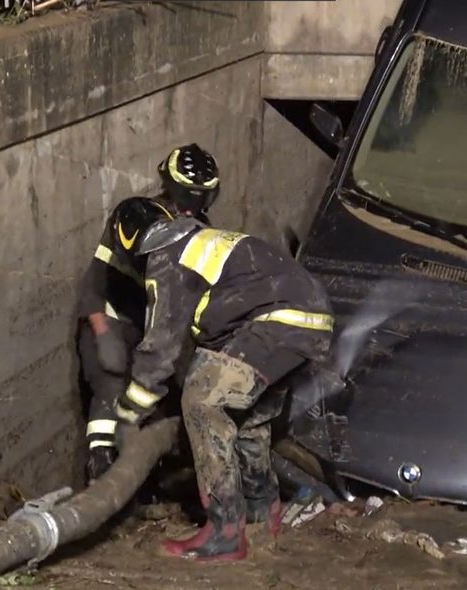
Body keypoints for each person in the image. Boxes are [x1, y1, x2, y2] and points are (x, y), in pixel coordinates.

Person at [111, 203, 335, 562]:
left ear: (129, 244)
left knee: (201, 401)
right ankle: (264, 514)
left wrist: (129, 412)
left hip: (278, 323)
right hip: (312, 321)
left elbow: (160, 349)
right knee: (248, 420)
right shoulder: (203, 241)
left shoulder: (165, 258)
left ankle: (226, 531)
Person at [76, 143, 222, 482]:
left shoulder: (198, 229)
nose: (194, 208)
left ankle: (149, 479)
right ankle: (100, 471)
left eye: (203, 198)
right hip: (111, 318)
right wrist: (102, 334)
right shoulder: (137, 222)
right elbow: (92, 288)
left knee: (159, 400)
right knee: (110, 390)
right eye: (189, 196)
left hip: (152, 330)